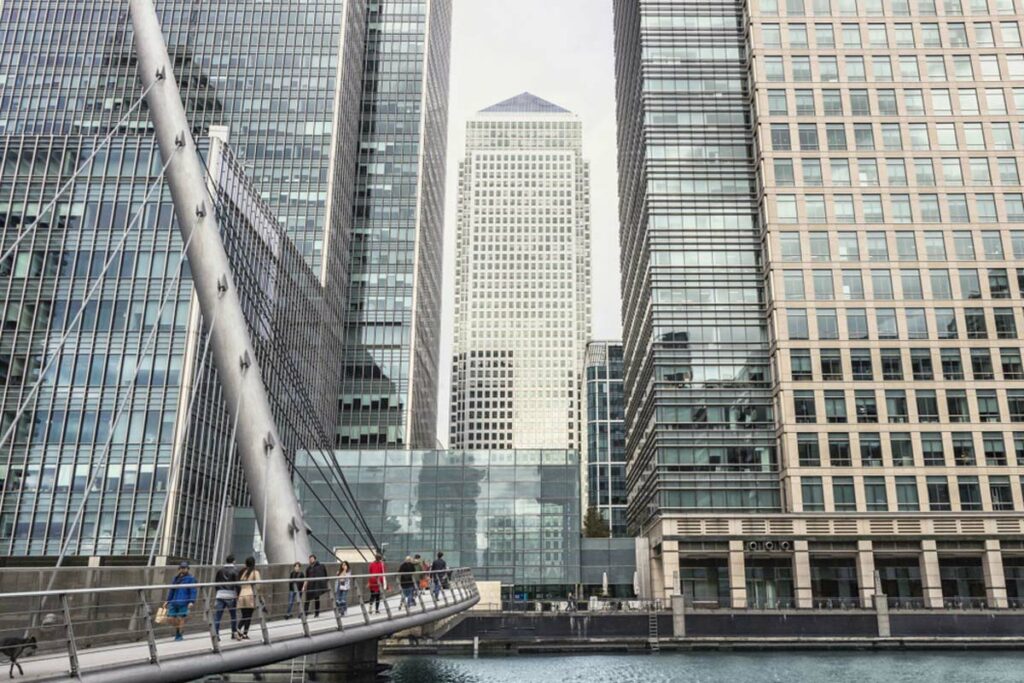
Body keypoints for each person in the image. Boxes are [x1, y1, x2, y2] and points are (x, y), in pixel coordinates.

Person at [163, 561, 197, 641]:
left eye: (184, 568)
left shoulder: (191, 579)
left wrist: (191, 601)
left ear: (188, 569)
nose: (183, 569)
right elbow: (172, 590)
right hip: (174, 601)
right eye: (181, 568)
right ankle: (179, 629)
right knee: (170, 618)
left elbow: (193, 590)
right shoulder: (176, 578)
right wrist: (167, 600)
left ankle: (178, 634)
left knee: (181, 618)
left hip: (184, 601)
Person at [213, 555, 240, 641]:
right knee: (233, 615)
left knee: (218, 616)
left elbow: (216, 583)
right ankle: (233, 633)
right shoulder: (235, 570)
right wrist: (238, 594)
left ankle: (216, 634)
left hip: (220, 595)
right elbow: (238, 584)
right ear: (234, 561)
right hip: (230, 595)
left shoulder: (220, 570)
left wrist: (218, 591)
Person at [236, 556, 261, 640]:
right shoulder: (255, 572)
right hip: (250, 594)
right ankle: (240, 630)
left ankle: (241, 633)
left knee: (244, 615)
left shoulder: (243, 572)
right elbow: (258, 585)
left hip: (242, 594)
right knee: (248, 616)